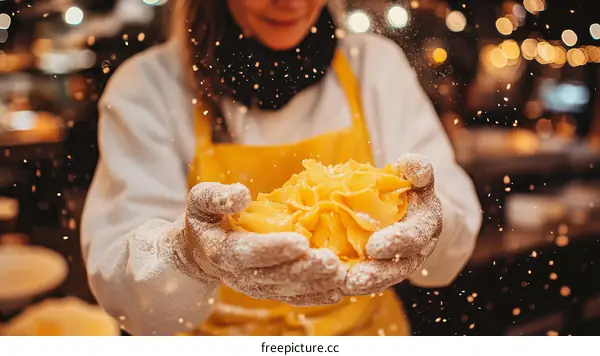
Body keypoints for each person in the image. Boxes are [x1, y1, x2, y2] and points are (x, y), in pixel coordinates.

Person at [80, 0, 482, 336]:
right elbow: (130, 293)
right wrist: (187, 256)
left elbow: (449, 220)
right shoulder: (149, 88)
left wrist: (429, 223)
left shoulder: (374, 66)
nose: (291, 2)